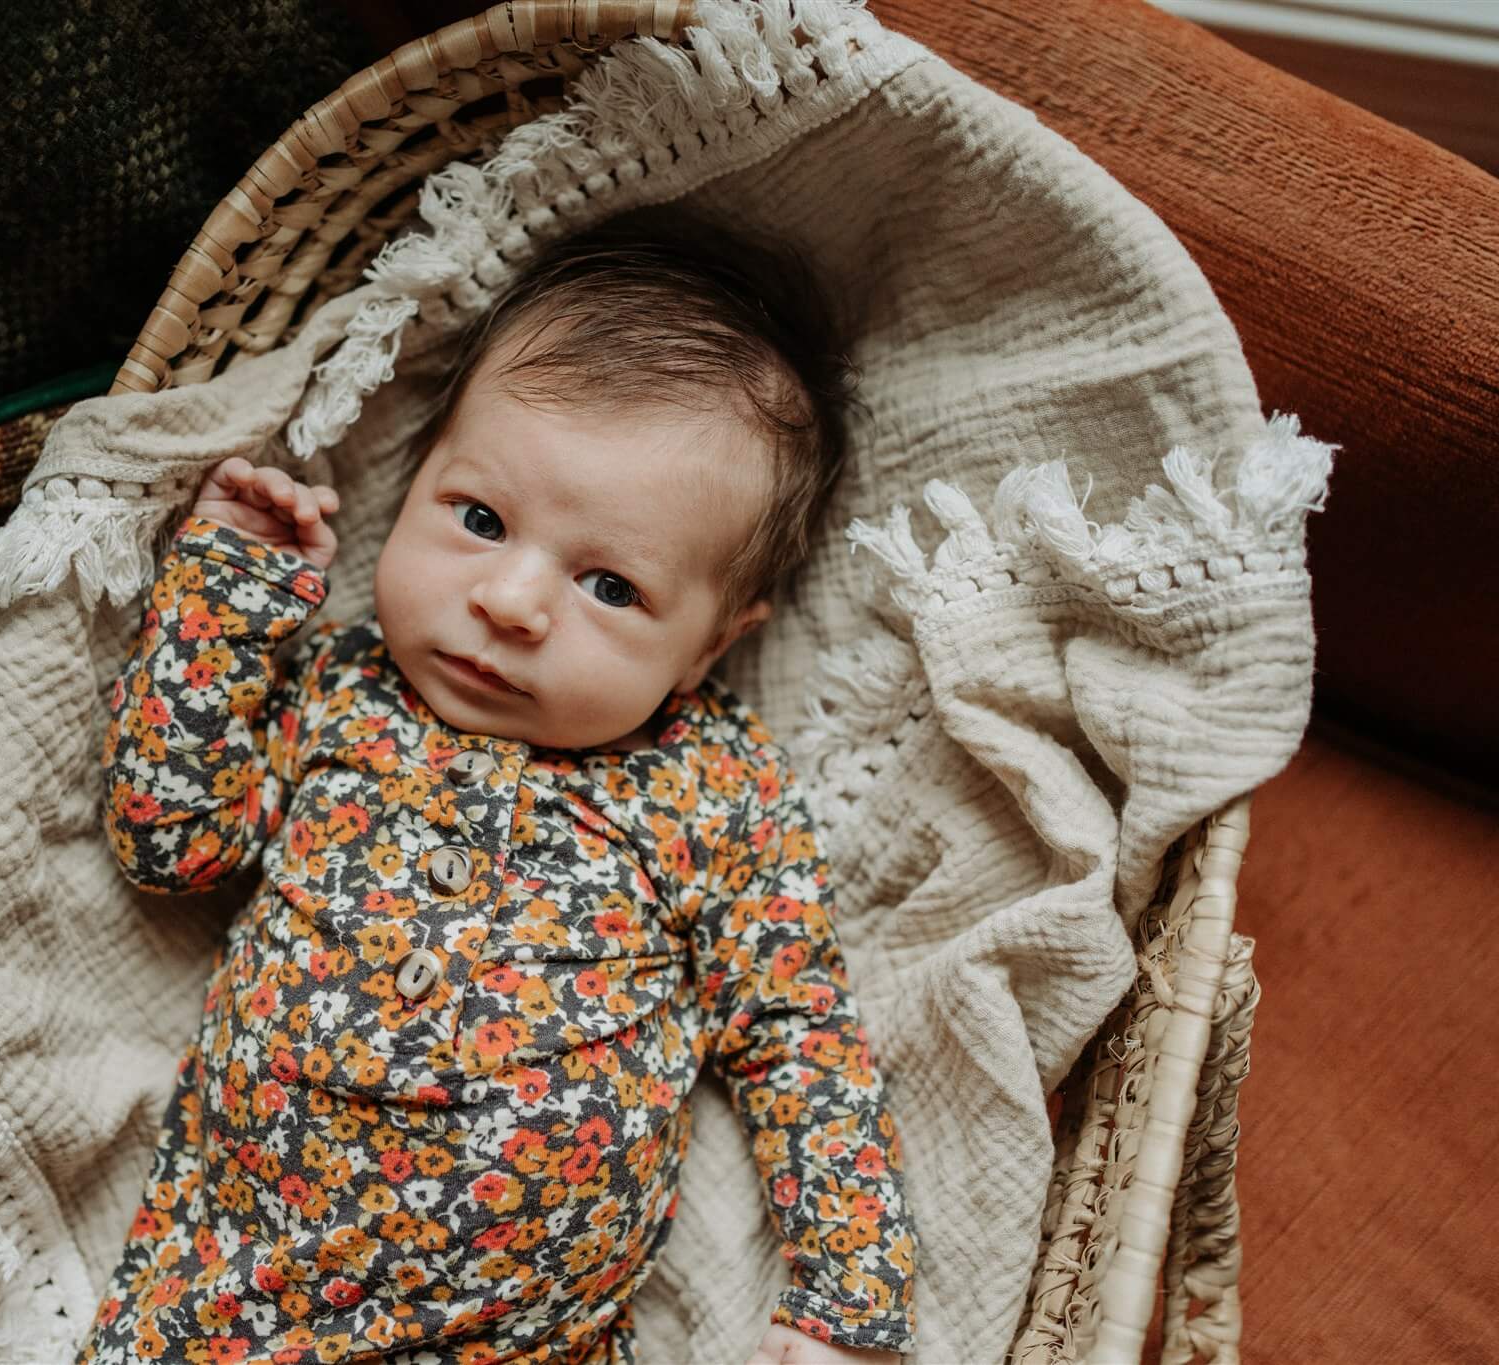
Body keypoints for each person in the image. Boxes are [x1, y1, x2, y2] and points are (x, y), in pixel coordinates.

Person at [79, 224, 916, 1365]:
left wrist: (845, 1301)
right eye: (478, 520)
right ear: (415, 480)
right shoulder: (340, 691)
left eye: (610, 585)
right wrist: (228, 589)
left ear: (709, 647)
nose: (512, 600)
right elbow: (170, 839)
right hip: (238, 1290)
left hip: (529, 1335)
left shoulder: (716, 791)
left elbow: (794, 1036)